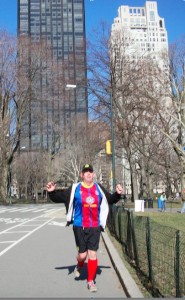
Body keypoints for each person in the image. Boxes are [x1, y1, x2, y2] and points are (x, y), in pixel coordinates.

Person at [46, 163, 123, 292]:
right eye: (86, 172)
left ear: (93, 174)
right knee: (82, 255)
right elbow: (59, 198)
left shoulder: (98, 188)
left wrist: (118, 194)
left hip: (94, 227)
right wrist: (52, 192)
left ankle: (90, 281)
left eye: (90, 172)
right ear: (82, 175)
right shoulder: (75, 188)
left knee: (92, 254)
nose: (88, 174)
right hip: (79, 226)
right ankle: (80, 265)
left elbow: (110, 199)